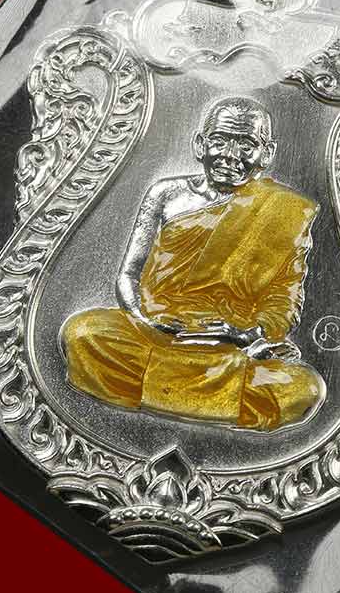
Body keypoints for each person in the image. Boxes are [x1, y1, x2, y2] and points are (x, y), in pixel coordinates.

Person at [61, 96, 325, 431]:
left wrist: (245, 333)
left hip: (229, 345)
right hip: (158, 334)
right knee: (83, 333)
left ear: (267, 153)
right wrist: (142, 318)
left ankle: (155, 390)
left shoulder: (285, 212)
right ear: (200, 144)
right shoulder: (167, 194)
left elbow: (284, 300)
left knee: (303, 389)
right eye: (220, 141)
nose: (230, 156)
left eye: (246, 145)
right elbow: (129, 274)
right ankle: (213, 402)